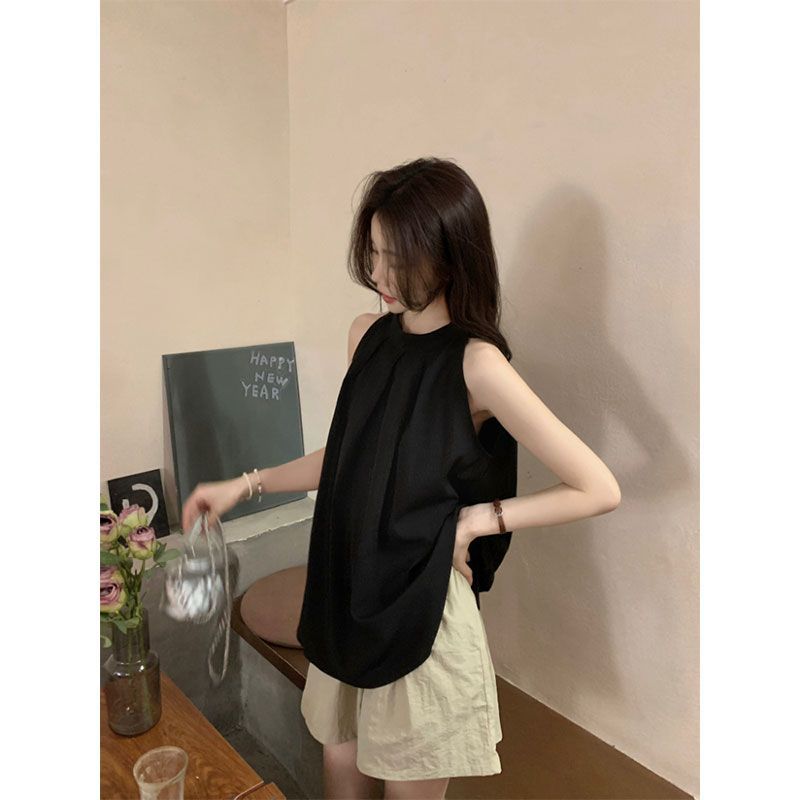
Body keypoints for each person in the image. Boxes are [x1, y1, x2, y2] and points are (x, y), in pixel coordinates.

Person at [181, 157, 621, 800]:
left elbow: (598, 487)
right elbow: (350, 453)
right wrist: (246, 484)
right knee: (342, 779)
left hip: (424, 617)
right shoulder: (367, 335)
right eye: (375, 252)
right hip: (348, 589)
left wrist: (479, 519)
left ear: (450, 256)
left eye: (400, 258)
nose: (381, 276)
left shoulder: (478, 365)